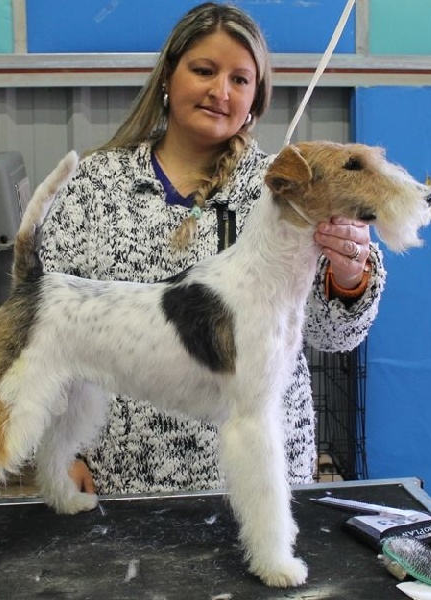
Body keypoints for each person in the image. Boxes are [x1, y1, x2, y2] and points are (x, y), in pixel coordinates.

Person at [39, 2, 386, 496]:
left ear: (256, 98)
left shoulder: (291, 189)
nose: (220, 91)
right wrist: (61, 451)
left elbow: (334, 337)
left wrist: (350, 276)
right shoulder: (93, 184)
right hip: (126, 480)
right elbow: (51, 326)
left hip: (265, 479)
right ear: (167, 76)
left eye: (240, 80)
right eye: (204, 70)